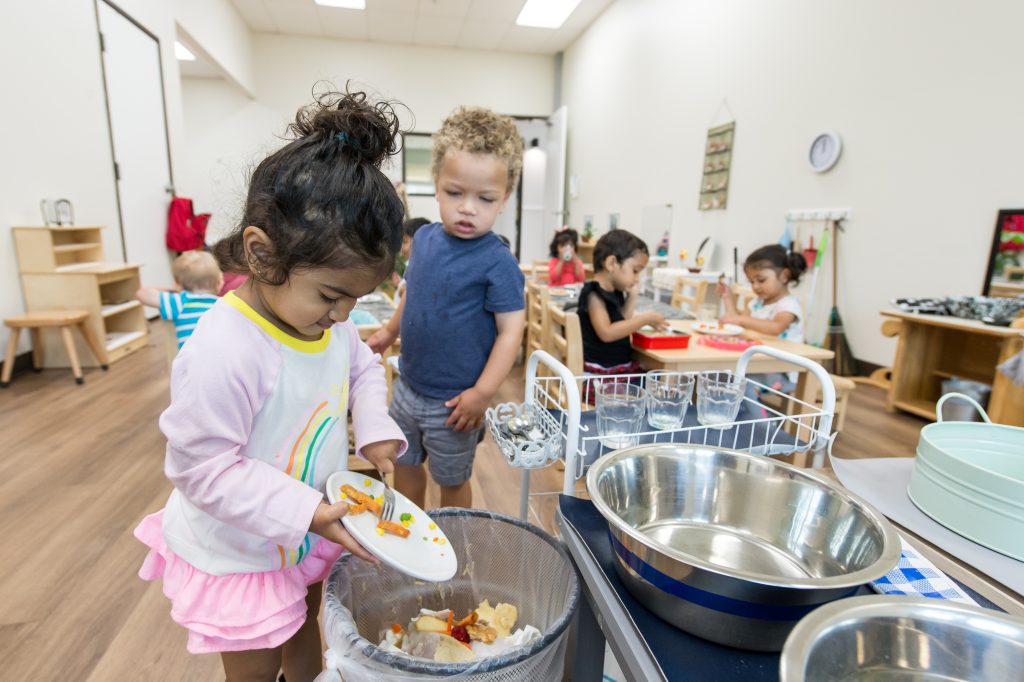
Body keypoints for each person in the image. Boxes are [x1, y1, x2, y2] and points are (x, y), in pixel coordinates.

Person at [133, 89, 408, 681]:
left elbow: (360, 366)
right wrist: (306, 510)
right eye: (332, 297)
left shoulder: (325, 324)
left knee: (305, 623)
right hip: (243, 549)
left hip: (304, 529)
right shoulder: (225, 347)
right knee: (257, 662)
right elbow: (202, 468)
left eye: (356, 301)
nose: (342, 317)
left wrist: (377, 430)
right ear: (261, 255)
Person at [367, 106, 526, 510]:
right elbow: (411, 293)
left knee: (452, 479)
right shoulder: (423, 240)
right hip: (408, 384)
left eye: (485, 198)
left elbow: (511, 332)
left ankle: (455, 539)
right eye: (455, 193)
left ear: (504, 199)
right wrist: (389, 330)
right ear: (437, 185)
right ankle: (411, 533)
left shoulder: (498, 262)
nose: (468, 207)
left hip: (456, 403)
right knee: (404, 465)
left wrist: (482, 393)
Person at [718, 243, 807, 391]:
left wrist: (741, 319)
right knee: (722, 376)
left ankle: (758, 414)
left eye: (761, 280)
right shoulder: (757, 303)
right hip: (758, 362)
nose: (755, 286)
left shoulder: (789, 305)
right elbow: (737, 323)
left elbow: (776, 327)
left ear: (784, 276)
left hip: (781, 370)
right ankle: (739, 411)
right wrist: (727, 297)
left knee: (741, 383)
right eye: (752, 281)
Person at [578, 229, 666, 375]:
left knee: (655, 379)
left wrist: (632, 297)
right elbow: (607, 333)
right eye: (635, 271)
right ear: (612, 263)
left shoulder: (615, 291)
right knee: (656, 384)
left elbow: (622, 322)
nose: (637, 278)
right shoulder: (594, 293)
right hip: (599, 373)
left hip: (614, 369)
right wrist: (645, 318)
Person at [135, 250, 222, 349]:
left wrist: (174, 289)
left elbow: (142, 293)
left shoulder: (179, 302)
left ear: (177, 284)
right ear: (219, 284)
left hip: (191, 362)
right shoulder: (223, 304)